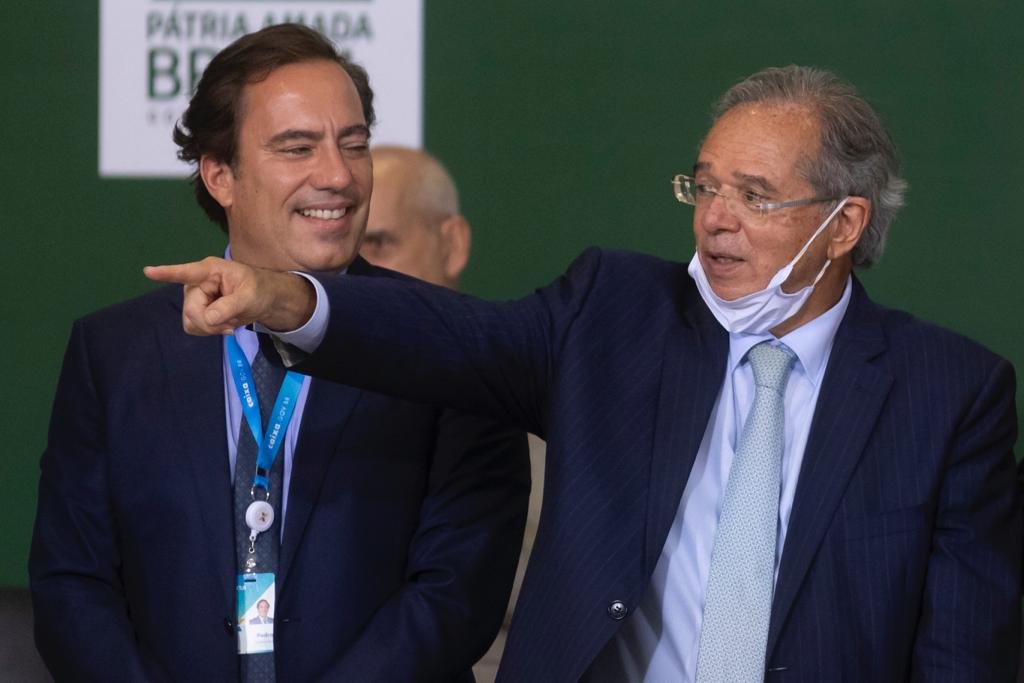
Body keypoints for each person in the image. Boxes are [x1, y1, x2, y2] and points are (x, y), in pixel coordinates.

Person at [148, 65, 1021, 681]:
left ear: (842, 224)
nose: (715, 222)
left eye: (754, 197)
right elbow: (449, 336)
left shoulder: (948, 395)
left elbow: (961, 652)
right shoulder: (616, 315)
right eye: (704, 188)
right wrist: (285, 297)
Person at [30, 23, 530, 683]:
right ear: (220, 175)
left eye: (354, 144)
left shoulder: (449, 342)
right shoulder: (115, 353)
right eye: (298, 147)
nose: (339, 175)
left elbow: (457, 590)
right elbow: (72, 583)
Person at [361, 145, 547, 681]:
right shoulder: (280, 416)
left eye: (381, 243)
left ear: (452, 243)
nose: (359, 270)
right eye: (348, 246)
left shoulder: (539, 428)